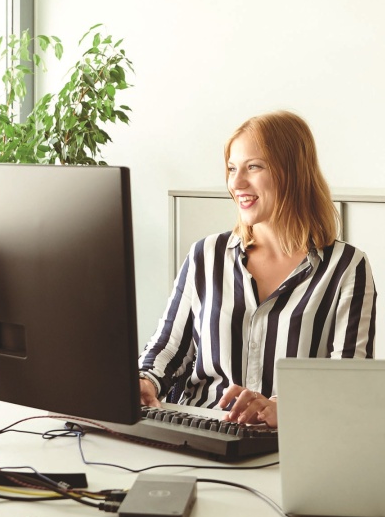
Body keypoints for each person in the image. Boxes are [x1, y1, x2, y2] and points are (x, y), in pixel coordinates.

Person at [138, 110, 376, 428]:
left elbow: (348, 383)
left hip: (284, 445)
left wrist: (286, 407)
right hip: (197, 431)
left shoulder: (346, 267)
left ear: (292, 172)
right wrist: (145, 381)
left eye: (254, 167)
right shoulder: (206, 254)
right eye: (232, 168)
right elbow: (169, 346)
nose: (236, 183)